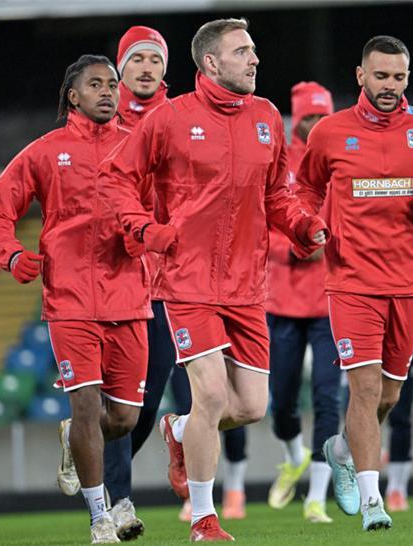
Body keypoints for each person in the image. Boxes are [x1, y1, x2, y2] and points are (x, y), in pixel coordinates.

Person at [101, 17, 327, 541]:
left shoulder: (268, 116)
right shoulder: (169, 119)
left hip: (248, 285)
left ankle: (178, 430)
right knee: (209, 396)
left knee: (250, 407)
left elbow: (278, 196)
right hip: (186, 282)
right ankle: (204, 519)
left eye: (253, 51)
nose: (254, 59)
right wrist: (144, 229)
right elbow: (116, 179)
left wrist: (303, 227)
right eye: (243, 51)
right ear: (211, 62)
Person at [294, 35, 413, 532]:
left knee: (389, 397)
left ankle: (343, 449)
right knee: (365, 390)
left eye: (399, 77)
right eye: (381, 75)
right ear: (361, 76)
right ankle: (373, 502)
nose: (390, 85)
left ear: (407, 78)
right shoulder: (328, 132)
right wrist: (307, 223)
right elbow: (304, 187)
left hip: (408, 280)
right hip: (350, 280)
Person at [0, 54, 148, 544]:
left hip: (130, 296)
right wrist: (12, 255)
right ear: (73, 96)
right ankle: (100, 517)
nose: (107, 92)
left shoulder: (138, 149)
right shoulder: (45, 151)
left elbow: (161, 208)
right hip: (69, 297)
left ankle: (73, 442)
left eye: (112, 85)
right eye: (95, 85)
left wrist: (151, 237)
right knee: (84, 408)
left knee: (124, 419)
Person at [99, 25, 175, 541]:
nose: (146, 67)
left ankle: (84, 445)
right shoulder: (100, 118)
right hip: (115, 275)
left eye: (155, 59)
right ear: (121, 67)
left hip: (169, 278)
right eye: (137, 59)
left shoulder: (182, 119)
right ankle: (119, 501)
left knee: (147, 404)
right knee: (123, 396)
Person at [265, 81, 341, 524]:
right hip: (282, 300)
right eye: (309, 117)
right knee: (281, 400)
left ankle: (316, 496)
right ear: (298, 119)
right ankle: (293, 455)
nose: (315, 124)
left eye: (321, 116)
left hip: (331, 298)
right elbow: (262, 222)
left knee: (329, 400)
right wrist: (295, 246)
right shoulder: (278, 162)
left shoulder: (341, 159)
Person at [169, 365, 249, 521]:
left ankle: (235, 489)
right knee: (189, 411)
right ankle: (195, 494)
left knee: (235, 416)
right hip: (188, 351)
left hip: (226, 348)